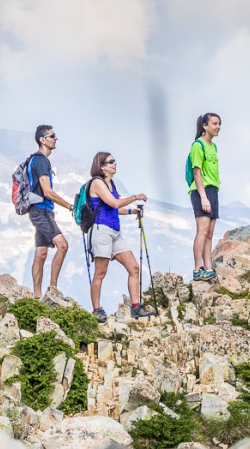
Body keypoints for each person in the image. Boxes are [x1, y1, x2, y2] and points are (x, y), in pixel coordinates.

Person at [85, 152, 156, 322]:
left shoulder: (111, 184)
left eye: (114, 161)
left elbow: (114, 208)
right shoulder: (97, 183)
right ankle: (97, 310)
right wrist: (135, 197)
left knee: (134, 268)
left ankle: (135, 307)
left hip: (115, 232)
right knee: (100, 272)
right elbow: (114, 203)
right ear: (101, 166)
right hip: (101, 231)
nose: (114, 164)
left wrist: (132, 211)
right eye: (110, 162)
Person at [27, 124, 75, 297]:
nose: (56, 139)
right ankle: (52, 290)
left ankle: (37, 295)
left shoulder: (36, 160)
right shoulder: (41, 160)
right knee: (63, 245)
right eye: (52, 136)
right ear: (42, 139)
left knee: (41, 252)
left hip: (40, 211)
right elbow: (47, 192)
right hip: (41, 212)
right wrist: (70, 206)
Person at [188, 112, 222, 281]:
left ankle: (208, 267)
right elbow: (196, 172)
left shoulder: (213, 146)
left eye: (219, 124)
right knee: (202, 230)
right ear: (205, 126)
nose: (217, 127)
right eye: (214, 124)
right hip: (201, 191)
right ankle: (197, 268)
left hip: (213, 190)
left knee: (209, 232)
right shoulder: (198, 145)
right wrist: (203, 197)